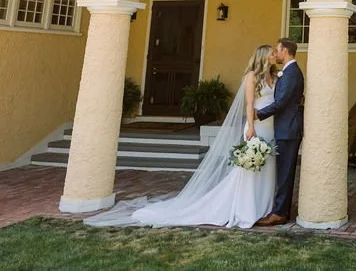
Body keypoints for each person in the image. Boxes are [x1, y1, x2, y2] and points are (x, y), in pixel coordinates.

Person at [84, 44, 277, 229]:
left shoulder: (274, 76)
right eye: (271, 53)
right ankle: (247, 210)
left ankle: (263, 208)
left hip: (270, 128)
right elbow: (249, 104)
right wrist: (250, 127)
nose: (275, 55)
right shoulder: (252, 77)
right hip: (256, 127)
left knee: (267, 168)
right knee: (251, 169)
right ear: (263, 57)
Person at [253, 37, 304, 226]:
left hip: (288, 129)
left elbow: (281, 102)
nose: (276, 53)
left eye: (278, 49)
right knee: (283, 171)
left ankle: (280, 213)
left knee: (285, 173)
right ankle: (280, 209)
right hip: (285, 128)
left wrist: (258, 114)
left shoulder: (291, 73)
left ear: (285, 51)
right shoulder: (288, 73)